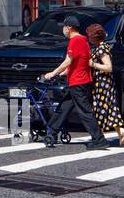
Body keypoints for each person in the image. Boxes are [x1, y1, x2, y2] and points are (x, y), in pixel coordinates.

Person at [42, 16, 108, 149]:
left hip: (78, 82)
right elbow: (79, 62)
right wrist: (63, 73)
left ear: (69, 28)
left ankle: (99, 139)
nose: (63, 29)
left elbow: (68, 61)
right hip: (80, 80)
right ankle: (52, 132)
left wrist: (53, 73)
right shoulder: (83, 40)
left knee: (84, 111)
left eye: (64, 27)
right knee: (64, 106)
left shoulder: (75, 40)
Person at [87, 24, 124, 146]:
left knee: (99, 109)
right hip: (104, 83)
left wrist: (92, 64)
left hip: (102, 84)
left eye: (90, 35)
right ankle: (120, 131)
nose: (88, 38)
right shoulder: (102, 47)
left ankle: (99, 138)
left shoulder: (101, 49)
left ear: (95, 37)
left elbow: (108, 67)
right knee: (109, 109)